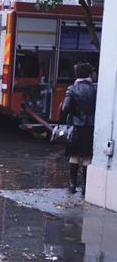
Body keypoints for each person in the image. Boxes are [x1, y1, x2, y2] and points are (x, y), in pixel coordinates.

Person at [61, 63, 97, 195]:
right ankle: (85, 188)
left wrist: (74, 114)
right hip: (91, 127)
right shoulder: (95, 89)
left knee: (74, 156)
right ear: (89, 75)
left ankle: (72, 185)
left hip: (75, 127)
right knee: (87, 157)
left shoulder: (72, 89)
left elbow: (65, 108)